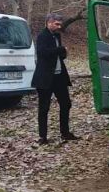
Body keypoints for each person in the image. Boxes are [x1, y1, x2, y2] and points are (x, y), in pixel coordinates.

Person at [31, 13, 78, 144]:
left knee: (66, 104)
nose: (59, 26)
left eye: (60, 24)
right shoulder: (42, 36)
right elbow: (43, 53)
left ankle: (65, 132)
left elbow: (59, 55)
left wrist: (63, 53)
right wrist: (60, 49)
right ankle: (43, 137)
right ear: (49, 23)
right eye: (56, 24)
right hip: (45, 77)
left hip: (59, 77)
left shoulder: (57, 35)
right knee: (44, 107)